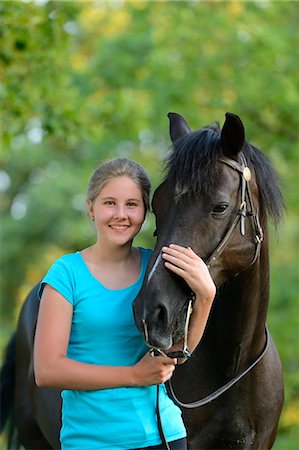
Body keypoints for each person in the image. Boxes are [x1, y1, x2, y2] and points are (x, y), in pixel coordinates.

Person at [34, 157, 216, 450]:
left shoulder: (157, 269)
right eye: (110, 203)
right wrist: (132, 375)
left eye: (132, 204)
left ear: (145, 212)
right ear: (91, 208)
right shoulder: (66, 274)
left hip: (164, 436)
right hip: (90, 442)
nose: (121, 214)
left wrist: (206, 296)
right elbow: (47, 370)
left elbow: (176, 356)